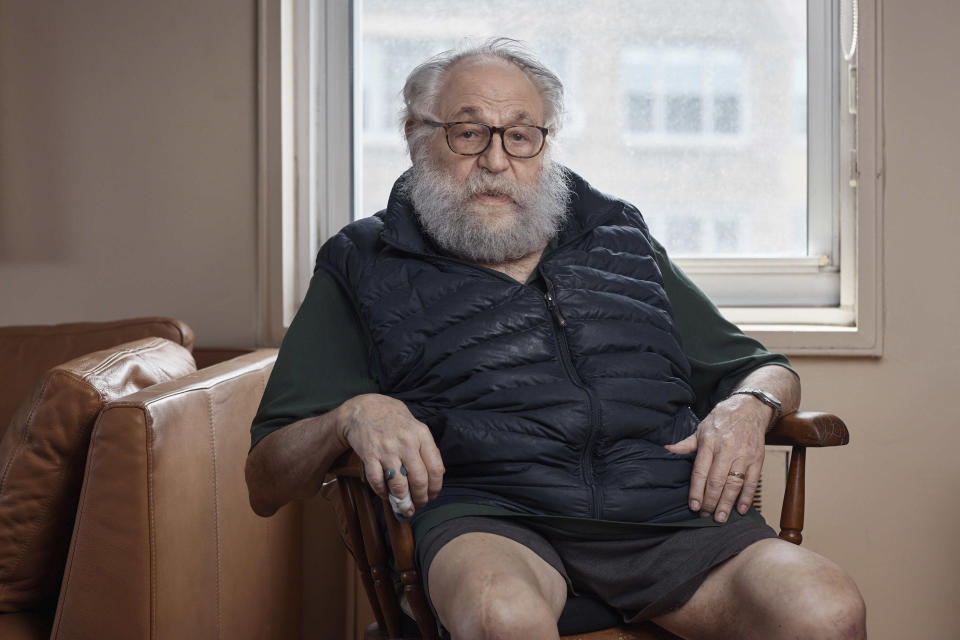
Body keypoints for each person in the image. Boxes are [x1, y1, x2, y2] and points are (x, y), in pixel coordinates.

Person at [245, 38, 865, 639]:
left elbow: (763, 369)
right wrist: (353, 414)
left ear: (544, 145)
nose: (495, 160)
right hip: (494, 521)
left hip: (672, 523)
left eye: (520, 134)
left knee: (827, 612)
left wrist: (749, 408)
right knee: (502, 619)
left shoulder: (617, 234)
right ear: (416, 137)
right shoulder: (363, 258)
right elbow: (266, 478)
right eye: (468, 132)